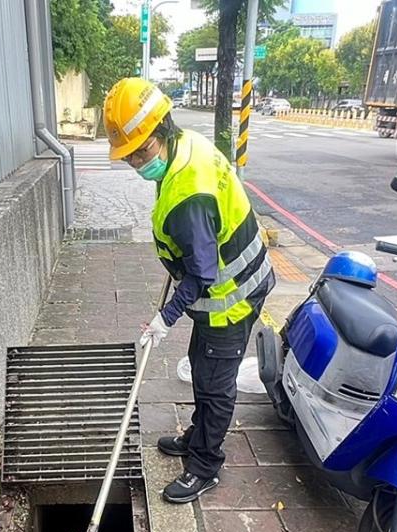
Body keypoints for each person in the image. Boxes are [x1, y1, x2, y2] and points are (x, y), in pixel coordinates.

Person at [102, 78, 275, 503]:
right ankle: (197, 436)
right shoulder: (187, 145)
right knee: (201, 363)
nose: (134, 164)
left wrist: (165, 318)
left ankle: (204, 466)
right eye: (129, 157)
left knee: (215, 382)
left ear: (157, 137)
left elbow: (201, 275)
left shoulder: (188, 195)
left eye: (137, 154)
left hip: (232, 297)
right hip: (226, 284)